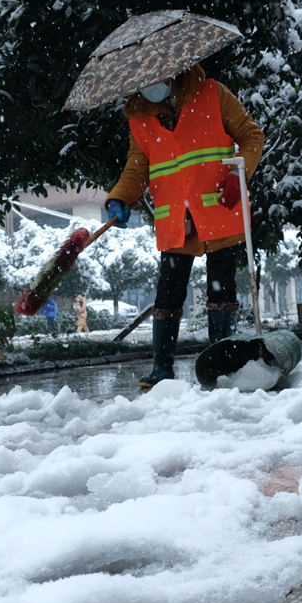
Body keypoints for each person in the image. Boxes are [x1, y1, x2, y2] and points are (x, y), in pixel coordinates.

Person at [104, 63, 264, 388]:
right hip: (177, 221)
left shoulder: (212, 94)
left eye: (155, 75)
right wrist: (120, 199)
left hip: (219, 210)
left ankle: (221, 364)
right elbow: (137, 170)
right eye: (143, 79)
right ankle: (162, 368)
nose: (150, 84)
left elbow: (251, 135)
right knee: (168, 294)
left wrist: (239, 173)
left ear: (173, 69)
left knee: (221, 290)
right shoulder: (140, 118)